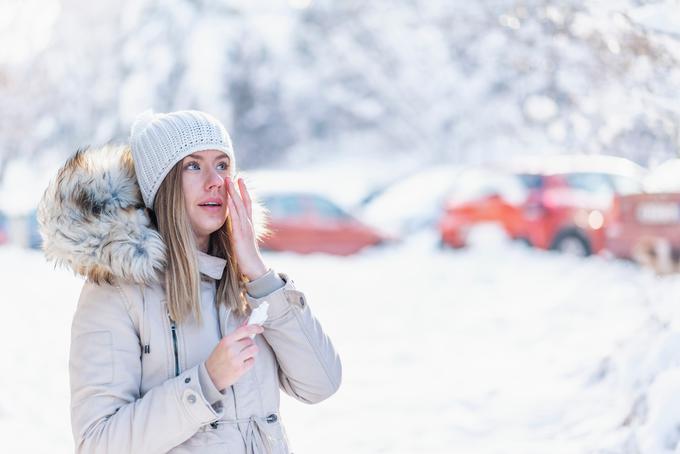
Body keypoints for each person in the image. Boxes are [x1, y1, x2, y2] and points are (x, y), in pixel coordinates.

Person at [37, 110, 342, 453]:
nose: (214, 180)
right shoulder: (117, 292)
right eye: (193, 166)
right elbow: (98, 443)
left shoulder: (249, 285)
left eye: (223, 165)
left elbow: (321, 384)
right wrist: (205, 382)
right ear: (163, 185)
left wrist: (259, 274)